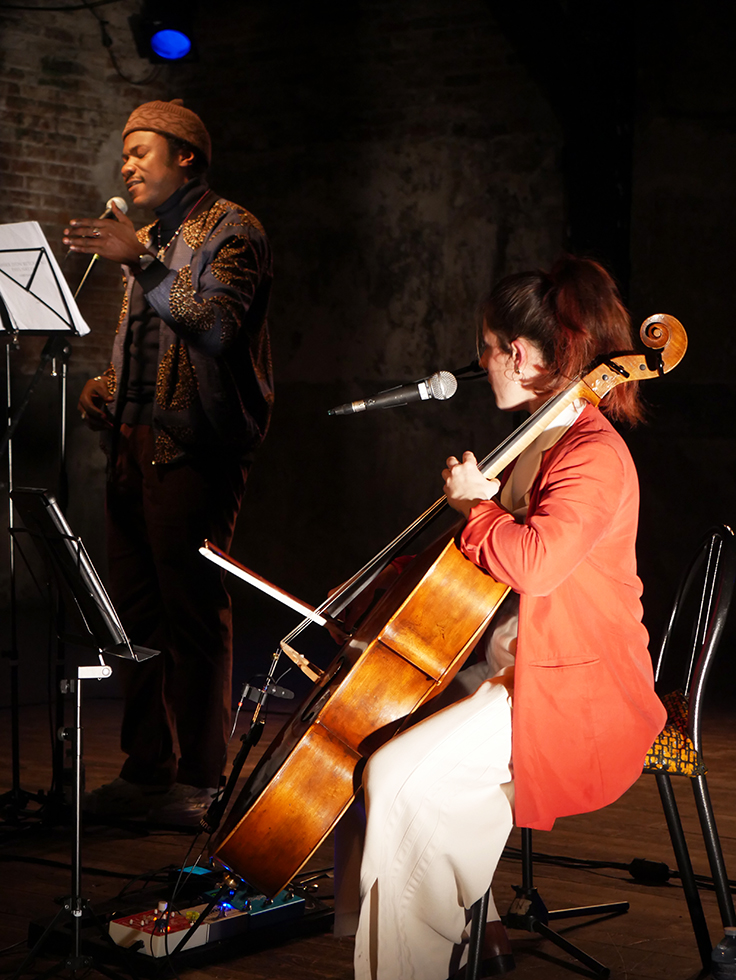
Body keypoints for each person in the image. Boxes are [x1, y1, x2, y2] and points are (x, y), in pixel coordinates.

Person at [333, 256, 667, 980]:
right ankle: (459, 932)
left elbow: (535, 565)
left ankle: (414, 961)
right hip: (519, 663)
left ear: (518, 354)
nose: (480, 362)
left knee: (399, 777)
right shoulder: (542, 438)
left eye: (485, 347)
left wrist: (474, 508)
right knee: (378, 731)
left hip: (577, 690)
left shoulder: (591, 454)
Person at [63, 99, 273, 826]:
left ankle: (202, 778)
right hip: (131, 443)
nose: (126, 165)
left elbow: (213, 326)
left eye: (139, 152)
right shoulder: (147, 235)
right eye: (124, 153)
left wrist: (142, 260)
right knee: (134, 614)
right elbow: (150, 349)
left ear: (186, 157)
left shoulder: (234, 230)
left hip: (196, 453)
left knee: (192, 614)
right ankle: (147, 768)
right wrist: (108, 391)